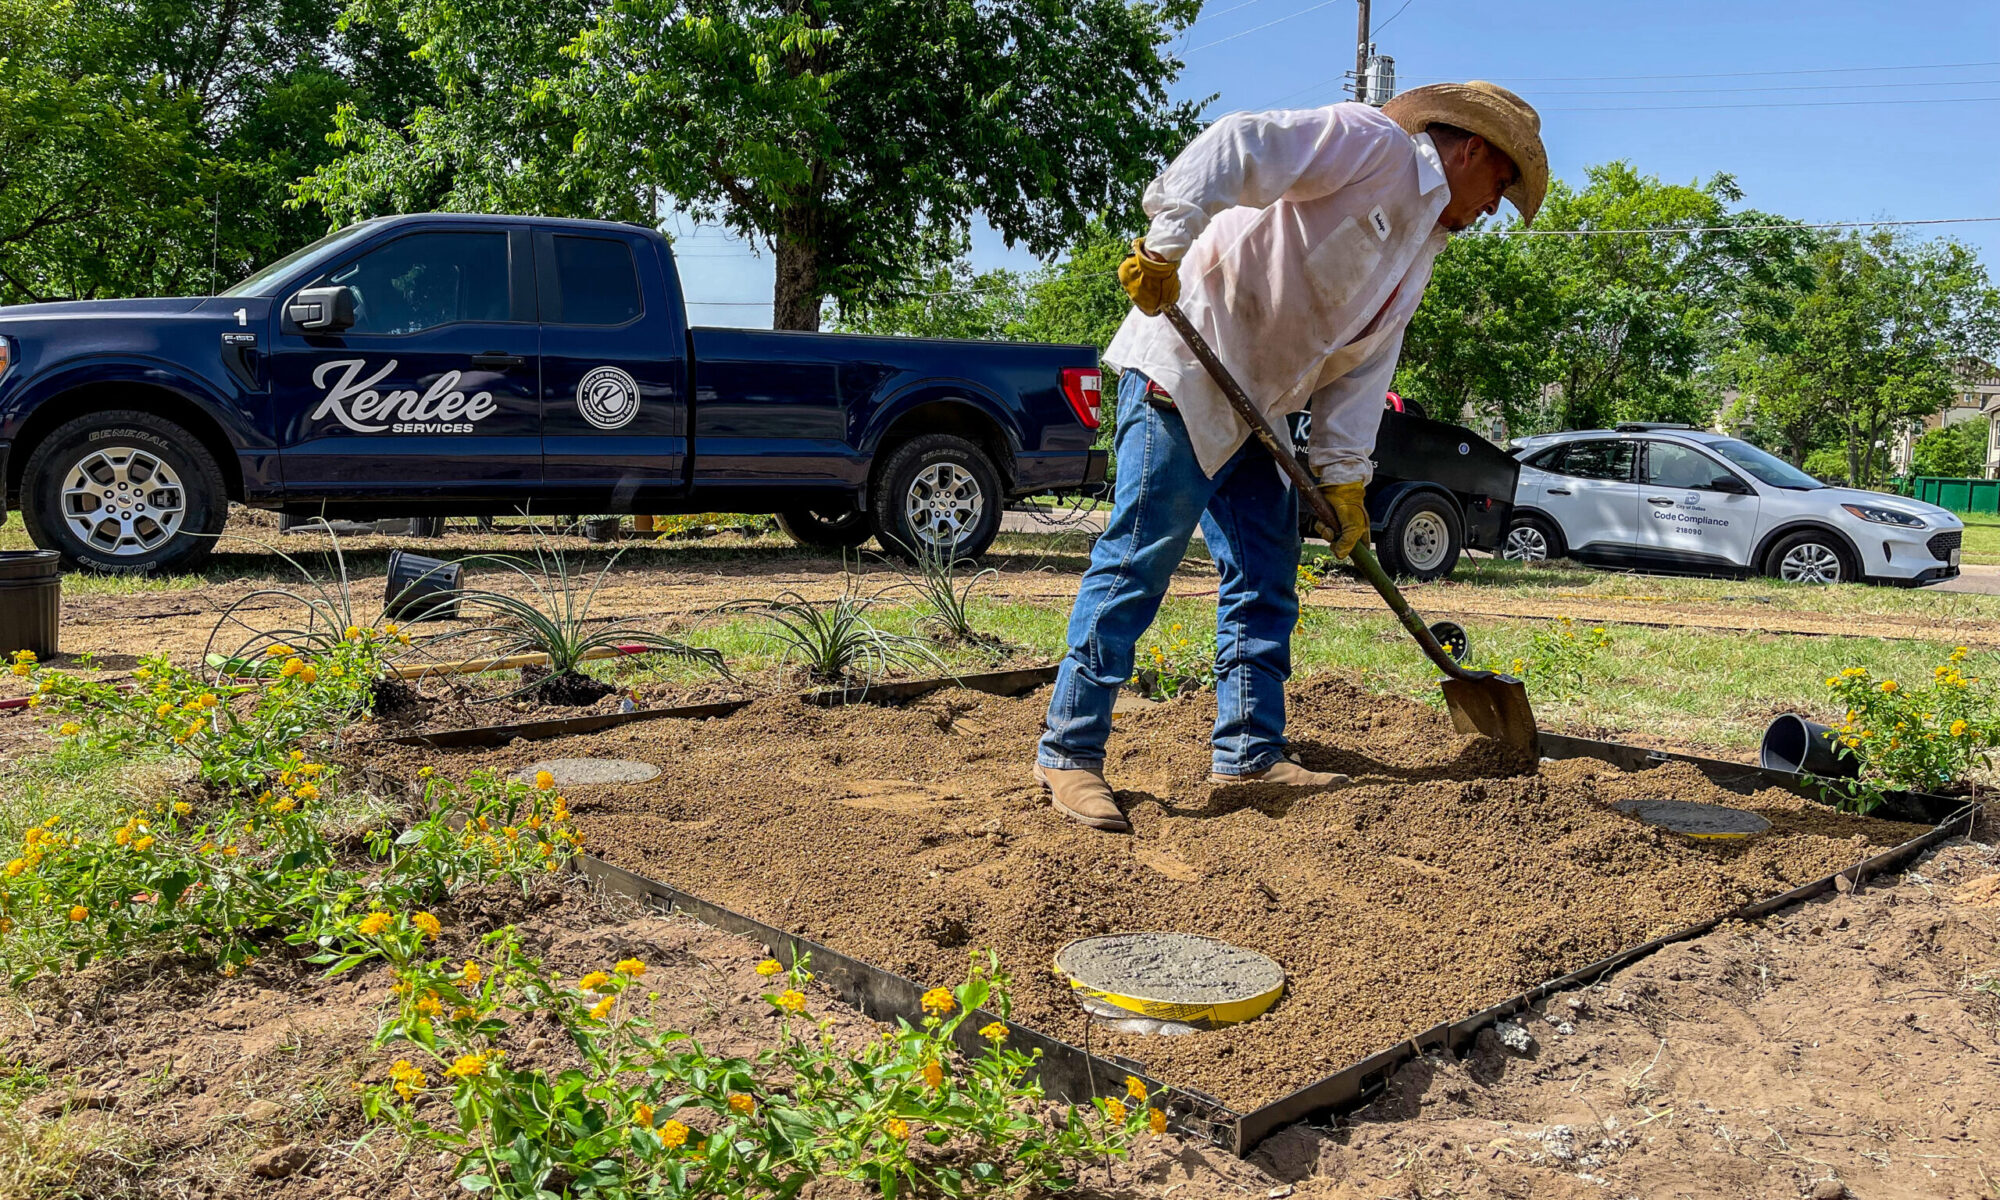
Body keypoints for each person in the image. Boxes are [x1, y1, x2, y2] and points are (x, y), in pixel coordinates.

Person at [1034, 82, 1548, 833]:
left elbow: (1365, 371)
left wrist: (1344, 481)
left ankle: (1249, 751)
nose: (1496, 205)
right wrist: (1166, 244)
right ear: (1471, 148)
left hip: (1262, 410)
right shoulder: (1371, 146)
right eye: (1502, 182)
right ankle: (1068, 754)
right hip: (1188, 369)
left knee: (1266, 577)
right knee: (1139, 560)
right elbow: (1241, 143)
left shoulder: (1420, 250)